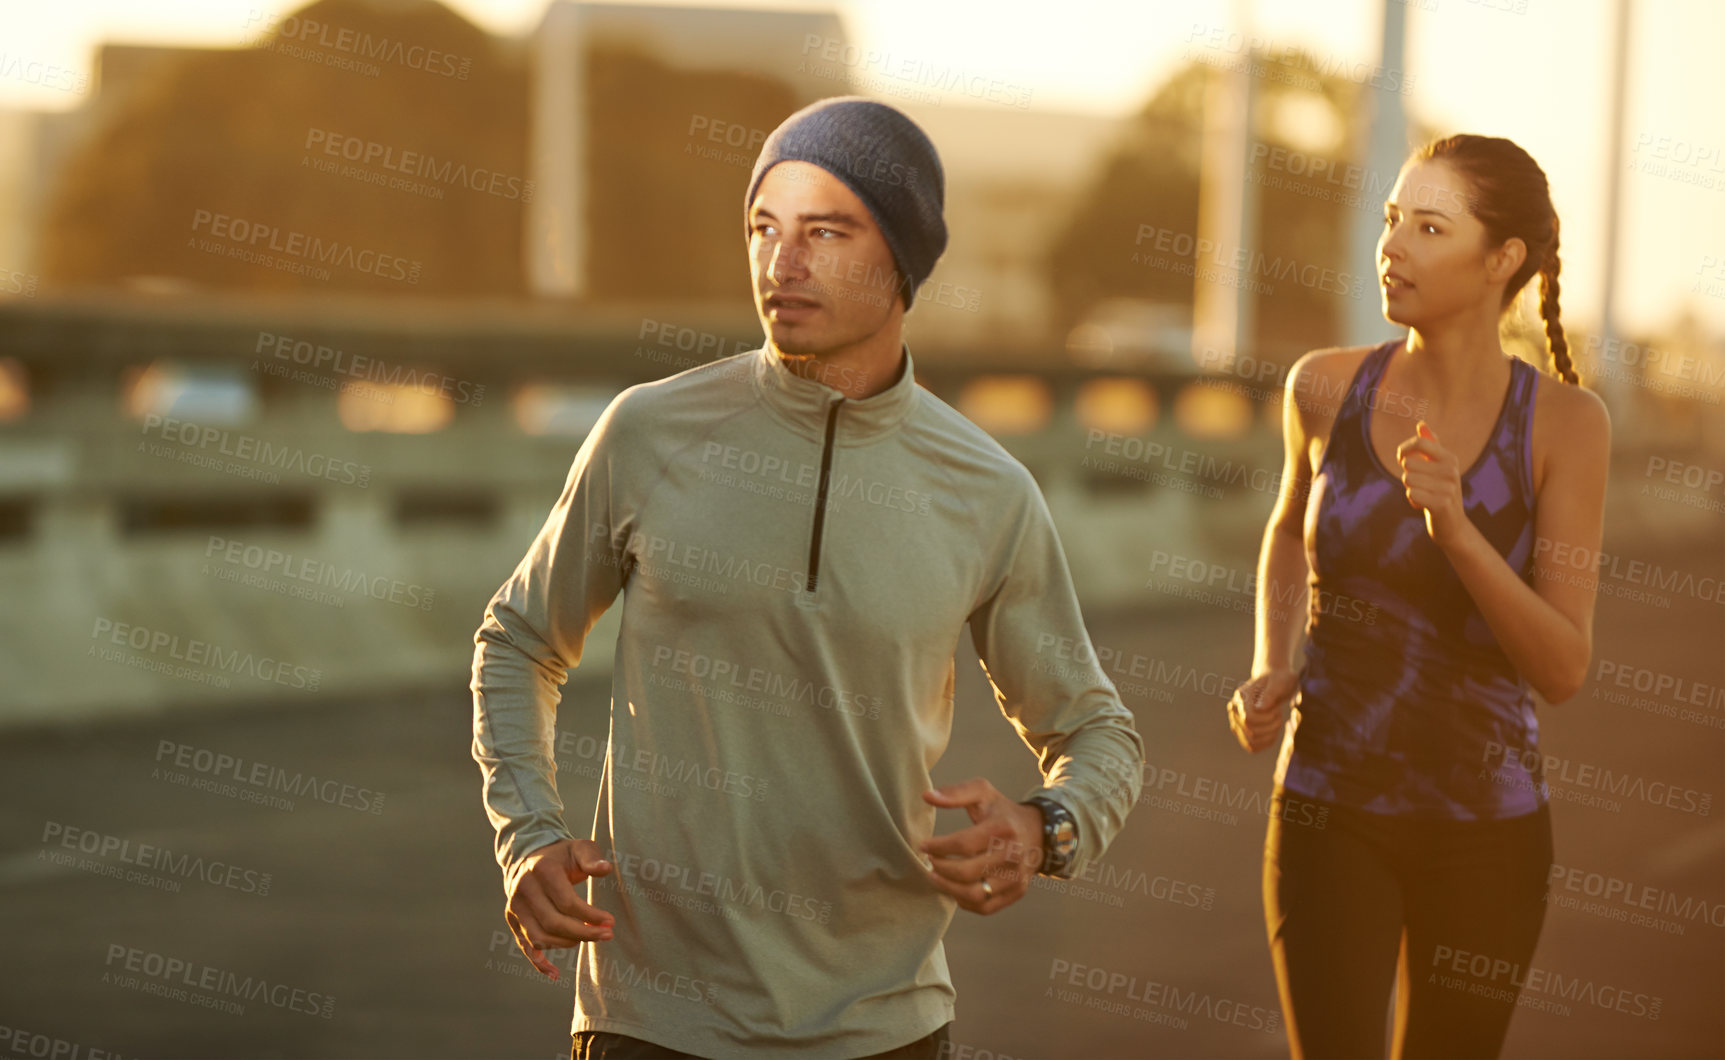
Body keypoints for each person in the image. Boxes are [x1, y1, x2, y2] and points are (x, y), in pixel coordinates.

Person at [472, 96, 1144, 1060]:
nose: (782, 264)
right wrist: (527, 834)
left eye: (826, 232)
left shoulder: (985, 490)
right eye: (764, 228)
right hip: (651, 1018)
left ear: (903, 263)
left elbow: (1094, 729)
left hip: (883, 1025)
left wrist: (1049, 829)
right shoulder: (647, 432)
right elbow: (521, 638)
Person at [1225, 133, 1611, 1059]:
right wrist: (1271, 663)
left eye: (1429, 227)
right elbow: (1287, 532)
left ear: (1501, 261)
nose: (1391, 245)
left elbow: (1560, 667)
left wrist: (1458, 532)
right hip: (1324, 809)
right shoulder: (1322, 387)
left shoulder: (1563, 423)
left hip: (1487, 833)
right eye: (1393, 218)